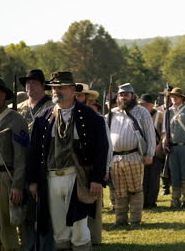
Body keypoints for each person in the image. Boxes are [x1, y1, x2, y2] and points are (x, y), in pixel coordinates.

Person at [27, 71, 108, 251]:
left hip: (77, 178)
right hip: (51, 178)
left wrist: (96, 178)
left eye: (61, 87)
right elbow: (33, 152)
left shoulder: (90, 117)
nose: (57, 91)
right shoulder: (44, 118)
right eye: (54, 88)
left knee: (79, 230)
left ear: (73, 90)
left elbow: (101, 150)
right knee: (59, 230)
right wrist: (32, 180)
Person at [0, 76, 29, 251]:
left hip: (3, 179)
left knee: (6, 228)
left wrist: (17, 185)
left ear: (3, 96)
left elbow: (21, 156)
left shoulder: (15, 120)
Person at [17, 69, 55, 251]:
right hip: (20, 163)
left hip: (44, 163)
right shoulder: (19, 108)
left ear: (43, 85)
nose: (29, 86)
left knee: (45, 211)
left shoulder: (51, 106)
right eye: (27, 83)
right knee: (25, 212)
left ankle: (46, 246)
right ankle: (29, 246)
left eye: (33, 83)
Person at [107, 84, 155, 225]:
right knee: (119, 191)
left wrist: (150, 154)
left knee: (135, 190)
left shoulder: (142, 112)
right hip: (116, 158)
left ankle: (135, 220)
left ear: (133, 96)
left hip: (135, 156)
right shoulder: (112, 113)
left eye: (126, 94)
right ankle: (120, 219)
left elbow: (150, 134)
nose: (123, 97)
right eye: (121, 95)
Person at [162, 88, 185, 208]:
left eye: (176, 96)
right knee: (174, 174)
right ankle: (175, 199)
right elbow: (164, 132)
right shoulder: (167, 112)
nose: (173, 98)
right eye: (172, 96)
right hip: (172, 147)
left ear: (182, 98)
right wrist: (164, 143)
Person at [139, 93, 164, 209]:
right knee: (142, 178)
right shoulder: (138, 116)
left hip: (156, 150)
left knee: (154, 178)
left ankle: (151, 202)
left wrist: (159, 146)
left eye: (145, 105)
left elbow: (164, 133)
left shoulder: (160, 115)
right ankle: (142, 201)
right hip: (142, 151)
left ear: (150, 105)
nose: (143, 107)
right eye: (141, 105)